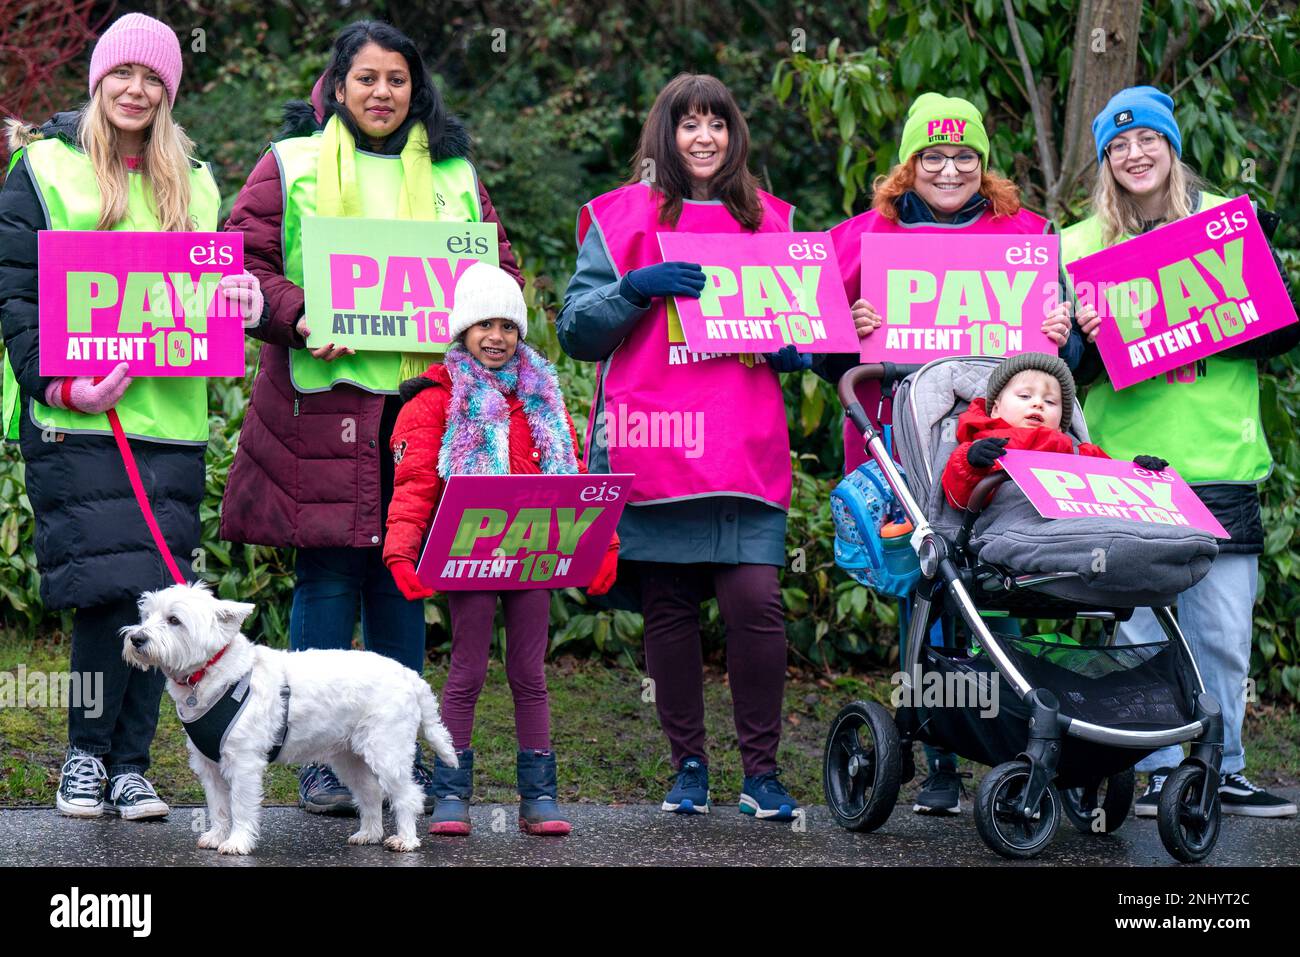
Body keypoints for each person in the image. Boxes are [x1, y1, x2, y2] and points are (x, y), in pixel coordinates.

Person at [218, 19, 523, 815]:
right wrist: (297, 311)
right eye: (367, 79)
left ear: (415, 88)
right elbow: (240, 260)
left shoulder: (456, 173)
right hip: (324, 405)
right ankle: (318, 758)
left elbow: (501, 270)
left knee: (403, 571)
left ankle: (392, 754)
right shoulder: (291, 164)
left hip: (426, 407)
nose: (382, 92)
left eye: (397, 79)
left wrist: (482, 331)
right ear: (337, 86)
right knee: (327, 569)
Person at [0, 13, 261, 818]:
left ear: (170, 92)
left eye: (154, 78)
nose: (137, 89)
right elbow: (15, 297)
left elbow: (208, 294)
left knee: (159, 597)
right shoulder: (40, 170)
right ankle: (86, 758)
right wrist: (63, 386)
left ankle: (131, 767)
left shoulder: (201, 180)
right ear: (98, 80)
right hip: (74, 420)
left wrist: (240, 300)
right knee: (106, 593)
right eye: (124, 74)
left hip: (170, 422)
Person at [817, 93, 1086, 814]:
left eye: (963, 154)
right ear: (909, 163)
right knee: (923, 595)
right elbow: (813, 347)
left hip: (1005, 447)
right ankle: (937, 749)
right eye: (932, 155)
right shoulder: (861, 237)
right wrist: (850, 328)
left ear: (982, 163)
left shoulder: (1026, 235)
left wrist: (1066, 329)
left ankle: (1009, 737)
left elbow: (1069, 360)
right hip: (904, 445)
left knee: (1001, 584)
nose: (948, 168)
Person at [557, 73, 809, 822]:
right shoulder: (617, 218)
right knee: (668, 612)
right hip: (654, 449)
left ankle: (760, 773)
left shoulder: (776, 221)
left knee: (756, 604)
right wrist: (634, 289)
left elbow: (812, 331)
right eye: (688, 124)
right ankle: (689, 767)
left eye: (718, 124)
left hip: (745, 449)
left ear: (736, 135)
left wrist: (804, 347)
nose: (704, 137)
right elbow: (576, 331)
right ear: (663, 134)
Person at [1067, 85, 1298, 818]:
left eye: (1149, 141)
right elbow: (1056, 376)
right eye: (1119, 145)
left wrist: (1245, 274)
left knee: (1224, 633)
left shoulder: (1223, 226)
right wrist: (1083, 335)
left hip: (1219, 462)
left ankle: (1221, 766)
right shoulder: (1074, 245)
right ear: (1106, 160)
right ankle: (1158, 767)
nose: (1136, 154)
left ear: (1172, 147)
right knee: (1139, 632)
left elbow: (1285, 338)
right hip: (1124, 467)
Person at [383, 262, 618, 836]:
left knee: (529, 674)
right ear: (461, 331)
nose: (497, 336)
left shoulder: (542, 396)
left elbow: (575, 478)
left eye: (508, 326)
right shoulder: (436, 399)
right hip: (470, 550)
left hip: (535, 552)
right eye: (483, 324)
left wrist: (601, 543)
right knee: (465, 673)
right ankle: (452, 796)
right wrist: (400, 551)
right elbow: (414, 483)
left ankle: (538, 797)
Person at [940, 352, 1167, 509]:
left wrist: (1139, 474)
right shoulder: (982, 445)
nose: (1038, 404)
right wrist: (971, 464)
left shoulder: (1079, 453)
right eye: (1025, 396)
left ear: (1060, 424)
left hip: (1076, 531)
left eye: (1050, 402)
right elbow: (958, 500)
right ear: (996, 409)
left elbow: (1118, 495)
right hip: (1011, 528)